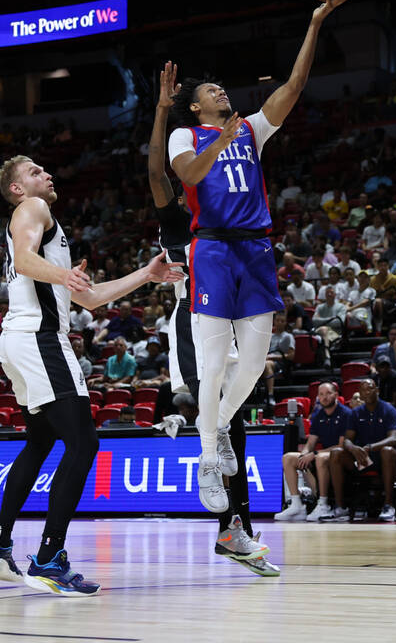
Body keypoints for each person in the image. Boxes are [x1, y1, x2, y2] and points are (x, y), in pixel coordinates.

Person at [167, 0, 350, 514]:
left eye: (222, 87)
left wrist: (315, 23)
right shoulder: (187, 135)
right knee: (212, 366)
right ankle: (206, 458)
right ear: (198, 105)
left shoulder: (251, 129)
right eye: (212, 90)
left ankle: (220, 425)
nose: (222, 91)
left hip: (255, 251)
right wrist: (219, 139)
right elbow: (190, 177)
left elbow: (294, 85)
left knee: (251, 366)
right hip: (212, 251)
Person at [0, 155, 182, 597]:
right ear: (17, 189)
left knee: (40, 441)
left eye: (44, 170)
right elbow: (27, 261)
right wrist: (63, 275)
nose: (46, 174)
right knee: (84, 441)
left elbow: (90, 299)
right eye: (34, 172)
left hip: (21, 339)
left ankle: (0, 543)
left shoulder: (49, 227)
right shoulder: (32, 209)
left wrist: (146, 274)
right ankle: (49, 558)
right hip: (40, 338)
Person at [147, 60, 277, 576]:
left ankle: (233, 527)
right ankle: (231, 527)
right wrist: (162, 111)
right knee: (217, 411)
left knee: (236, 420)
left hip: (228, 299)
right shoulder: (177, 213)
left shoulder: (230, 210)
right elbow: (158, 168)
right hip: (191, 318)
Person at [275, 382, 351, 522]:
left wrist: (314, 454)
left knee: (320, 457)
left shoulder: (345, 413)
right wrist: (304, 454)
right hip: (321, 454)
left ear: (336, 395)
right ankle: (296, 504)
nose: (324, 397)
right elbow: (310, 443)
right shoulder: (317, 415)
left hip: (339, 455)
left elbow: (340, 446)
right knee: (288, 458)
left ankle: (323, 504)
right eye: (321, 394)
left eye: (328, 393)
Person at [332, 378, 396, 521]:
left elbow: (394, 438)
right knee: (336, 453)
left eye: (370, 388)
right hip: (363, 457)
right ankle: (340, 507)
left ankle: (389, 505)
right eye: (363, 390)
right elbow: (347, 439)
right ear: (360, 394)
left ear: (377, 391)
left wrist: (372, 447)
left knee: (387, 451)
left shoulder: (389, 410)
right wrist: (352, 448)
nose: (367, 392)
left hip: (384, 457)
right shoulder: (355, 413)